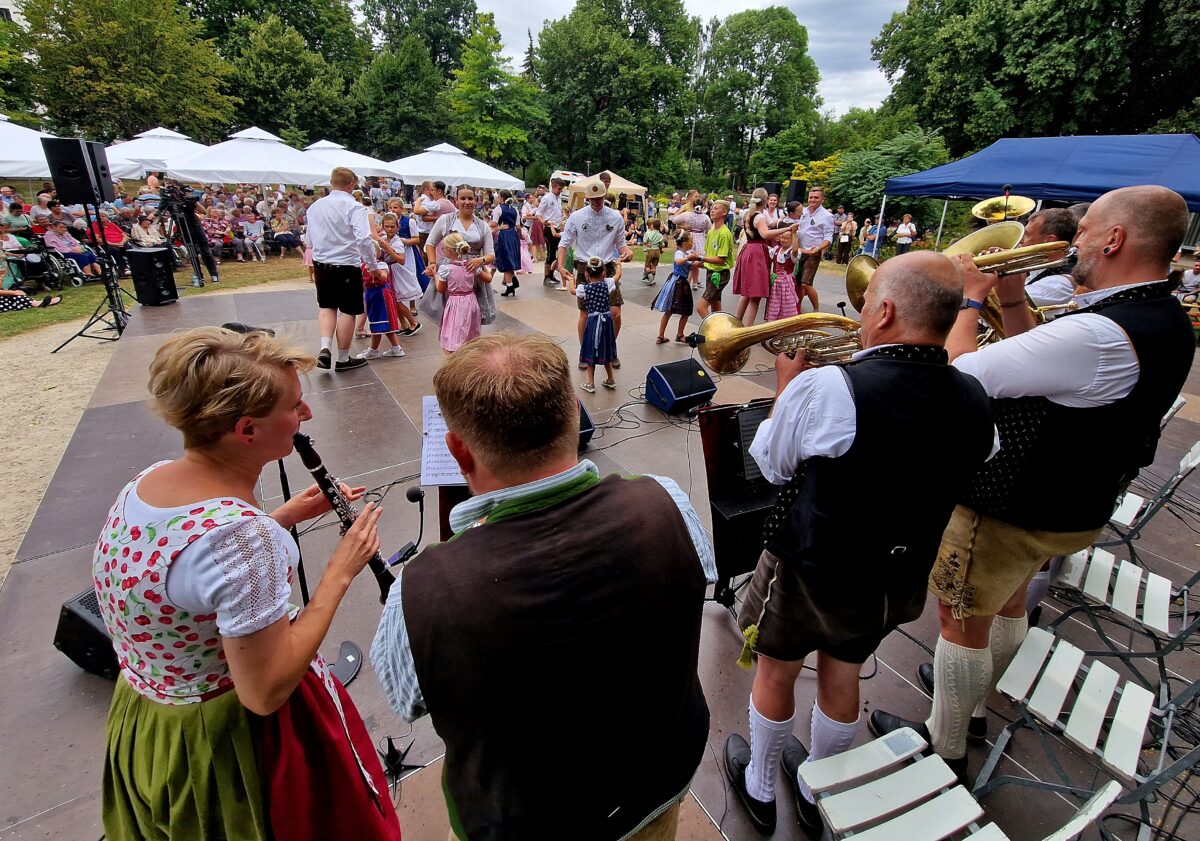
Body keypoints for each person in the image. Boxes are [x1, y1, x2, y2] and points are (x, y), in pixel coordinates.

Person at [869, 186, 1197, 785]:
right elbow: (1044, 359)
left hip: (1012, 503)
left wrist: (969, 302)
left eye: (1088, 228)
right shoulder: (1160, 317)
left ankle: (946, 749)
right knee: (1011, 601)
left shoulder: (1099, 332)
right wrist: (1014, 302)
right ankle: (972, 704)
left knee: (960, 620)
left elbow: (959, 379)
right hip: (1073, 503)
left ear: (1116, 239)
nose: (1078, 239)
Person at [370, 331, 716, 841]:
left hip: (524, 822)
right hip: (657, 782)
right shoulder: (666, 502)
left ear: (459, 452)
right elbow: (694, 580)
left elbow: (408, 701)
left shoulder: (421, 590)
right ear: (575, 414)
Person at [93, 327, 401, 841]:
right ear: (247, 431)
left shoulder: (146, 483)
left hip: (151, 717)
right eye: (295, 406)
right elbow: (265, 689)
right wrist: (340, 571)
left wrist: (280, 517)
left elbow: (188, 576)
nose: (306, 416)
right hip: (229, 741)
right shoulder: (240, 537)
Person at [725, 251, 996, 836]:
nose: (861, 311)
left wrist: (785, 390)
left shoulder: (828, 386)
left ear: (888, 310)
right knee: (843, 670)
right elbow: (981, 455)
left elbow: (771, 465)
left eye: (867, 301)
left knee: (775, 670)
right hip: (896, 574)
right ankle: (820, 784)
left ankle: (761, 785)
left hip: (811, 564)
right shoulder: (973, 392)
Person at [306, 166, 384, 372]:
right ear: (351, 184)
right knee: (348, 311)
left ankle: (324, 348)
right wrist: (373, 266)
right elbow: (363, 239)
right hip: (347, 264)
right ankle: (342, 357)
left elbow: (309, 240)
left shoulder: (315, 207)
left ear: (332, 182)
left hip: (321, 263)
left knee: (327, 307)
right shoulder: (354, 207)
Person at [557, 181, 633, 370]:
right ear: (588, 198)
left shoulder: (615, 217)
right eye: (593, 199)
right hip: (585, 267)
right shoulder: (577, 217)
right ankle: (586, 352)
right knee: (586, 314)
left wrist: (627, 252)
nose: (597, 202)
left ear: (605, 196)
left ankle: (610, 349)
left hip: (607, 266)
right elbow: (564, 243)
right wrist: (560, 266)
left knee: (615, 313)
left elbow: (621, 243)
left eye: (600, 198)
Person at [732, 189, 798, 324]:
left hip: (748, 249)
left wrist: (783, 221)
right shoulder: (759, 216)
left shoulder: (749, 214)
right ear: (766, 200)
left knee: (746, 293)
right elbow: (765, 234)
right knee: (755, 297)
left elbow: (771, 224)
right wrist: (787, 229)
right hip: (757, 253)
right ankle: (747, 331)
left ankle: (736, 322)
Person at [424, 186, 495, 287]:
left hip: (474, 272)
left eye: (470, 198)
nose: (467, 202)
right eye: (462, 198)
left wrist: (480, 260)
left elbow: (490, 255)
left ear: (476, 200)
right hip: (449, 272)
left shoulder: (483, 226)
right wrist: (432, 263)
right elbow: (431, 243)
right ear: (456, 201)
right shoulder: (445, 220)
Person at [1018, 208, 1078, 310]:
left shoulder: (1060, 283)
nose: (1021, 241)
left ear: (1049, 240)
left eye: (1027, 234)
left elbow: (1007, 301)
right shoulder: (1036, 265)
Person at [577, 256, 618, 393]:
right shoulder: (608, 284)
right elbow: (618, 276)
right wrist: (619, 265)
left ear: (586, 274)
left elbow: (573, 291)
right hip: (607, 323)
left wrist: (570, 279)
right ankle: (610, 379)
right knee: (605, 348)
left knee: (591, 350)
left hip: (594, 323)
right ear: (603, 273)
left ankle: (590, 383)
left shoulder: (584, 289)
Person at [436, 233, 483, 353]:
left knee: (455, 329)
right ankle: (469, 352)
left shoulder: (446, 269)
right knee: (469, 329)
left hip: (456, 302)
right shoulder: (471, 265)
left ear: (449, 251)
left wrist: (434, 275)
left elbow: (440, 289)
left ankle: (455, 355)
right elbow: (487, 278)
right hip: (471, 300)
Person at [794, 187, 835, 314]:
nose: (813, 200)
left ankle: (816, 309)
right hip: (799, 251)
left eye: (816, 197)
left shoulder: (827, 216)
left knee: (806, 283)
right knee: (797, 283)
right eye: (811, 197)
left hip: (813, 253)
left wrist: (819, 248)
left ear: (822, 199)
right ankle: (797, 309)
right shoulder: (803, 211)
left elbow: (828, 237)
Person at [693, 200, 737, 319]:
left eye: (716, 208)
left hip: (720, 274)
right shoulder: (712, 231)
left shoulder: (724, 233)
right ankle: (721, 331)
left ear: (724, 212)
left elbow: (721, 260)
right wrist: (696, 263)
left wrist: (700, 258)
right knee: (715, 306)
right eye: (712, 208)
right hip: (711, 273)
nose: (712, 210)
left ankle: (712, 332)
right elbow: (709, 256)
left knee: (701, 307)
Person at [652, 229, 695, 344]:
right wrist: (689, 259)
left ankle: (671, 335)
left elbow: (693, 265)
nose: (693, 243)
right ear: (685, 244)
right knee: (675, 310)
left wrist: (702, 261)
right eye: (691, 241)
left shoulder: (687, 254)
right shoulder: (679, 253)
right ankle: (674, 335)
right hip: (677, 283)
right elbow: (679, 261)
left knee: (678, 310)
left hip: (681, 283)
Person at [671, 191, 711, 291]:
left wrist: (681, 214)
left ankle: (686, 281)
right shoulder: (705, 217)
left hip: (689, 237)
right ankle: (694, 283)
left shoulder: (687, 215)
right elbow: (709, 230)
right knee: (696, 261)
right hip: (700, 239)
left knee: (687, 260)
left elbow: (673, 219)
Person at [491, 190, 522, 296]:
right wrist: (519, 235)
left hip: (504, 234)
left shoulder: (498, 208)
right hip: (513, 234)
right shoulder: (515, 210)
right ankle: (512, 280)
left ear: (502, 198)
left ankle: (509, 286)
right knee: (511, 258)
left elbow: (494, 223)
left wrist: (490, 223)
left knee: (506, 261)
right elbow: (518, 226)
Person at [765, 227, 800, 321]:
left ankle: (787, 322)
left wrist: (794, 233)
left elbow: (796, 250)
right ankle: (774, 321)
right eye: (782, 237)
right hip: (776, 283)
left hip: (787, 284)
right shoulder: (776, 250)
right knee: (774, 303)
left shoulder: (792, 252)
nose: (783, 240)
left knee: (787, 303)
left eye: (787, 238)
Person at [537, 177, 566, 286]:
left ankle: (551, 274)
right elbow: (538, 213)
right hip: (549, 228)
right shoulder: (546, 198)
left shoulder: (558, 198)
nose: (560, 191)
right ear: (553, 187)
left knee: (559, 252)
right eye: (559, 188)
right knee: (551, 252)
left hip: (557, 228)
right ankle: (546, 277)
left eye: (561, 189)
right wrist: (543, 221)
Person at [642, 218, 665, 284]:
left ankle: (650, 277)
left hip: (650, 251)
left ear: (651, 226)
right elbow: (661, 245)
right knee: (654, 266)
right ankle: (653, 277)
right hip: (657, 251)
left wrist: (646, 244)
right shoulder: (660, 235)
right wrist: (661, 251)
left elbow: (644, 241)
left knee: (647, 266)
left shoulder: (648, 234)